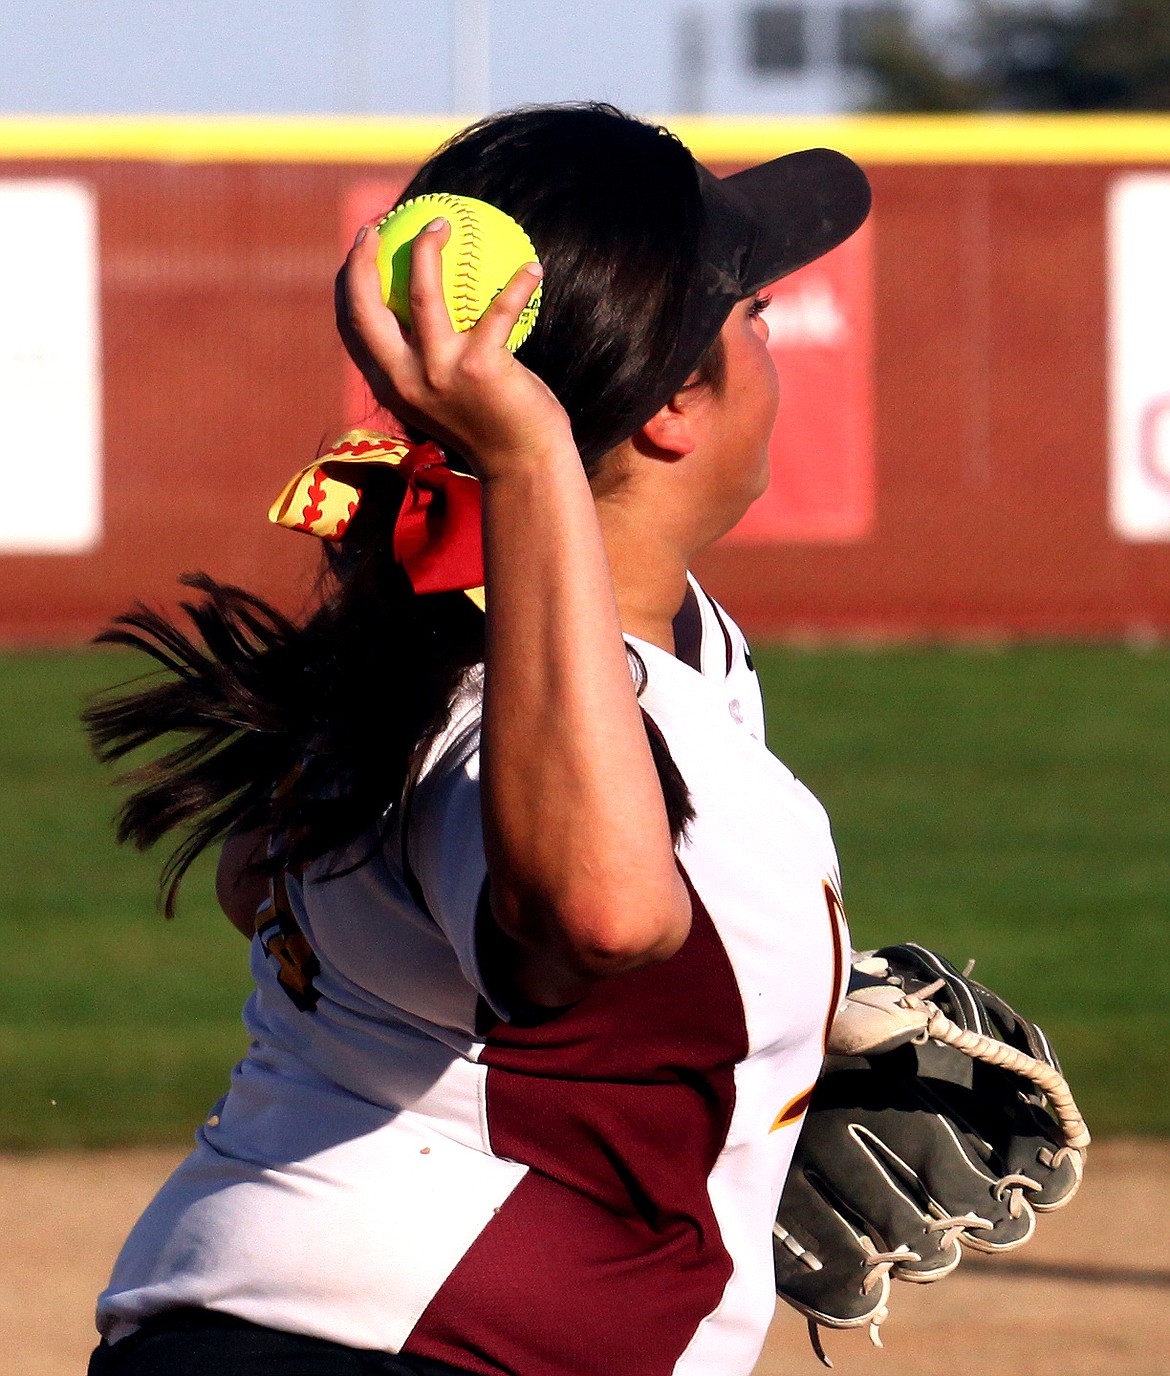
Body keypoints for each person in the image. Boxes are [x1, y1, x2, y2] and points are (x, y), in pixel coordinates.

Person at [84, 102, 871, 1376]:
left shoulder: (466, 647)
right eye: (755, 316)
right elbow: (605, 914)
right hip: (414, 1352)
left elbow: (265, 883)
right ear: (674, 402)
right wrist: (521, 456)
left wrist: (742, 1075)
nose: (774, 341)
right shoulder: (500, 708)